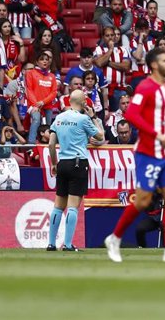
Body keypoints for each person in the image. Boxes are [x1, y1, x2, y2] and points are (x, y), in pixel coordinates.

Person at [105, 49, 165, 263]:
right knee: (143, 200)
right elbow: (132, 114)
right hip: (148, 153)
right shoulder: (145, 87)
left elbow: (162, 119)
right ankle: (114, 238)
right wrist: (157, 135)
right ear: (154, 65)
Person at [46, 89, 104, 252]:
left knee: (58, 205)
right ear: (84, 102)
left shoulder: (59, 118)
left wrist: (54, 163)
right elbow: (100, 136)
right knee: (73, 206)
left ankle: (51, 243)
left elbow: (51, 144)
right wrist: (93, 117)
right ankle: (68, 244)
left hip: (62, 162)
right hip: (78, 163)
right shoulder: (83, 119)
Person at [93, 26, 131, 111]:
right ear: (103, 37)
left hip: (119, 89)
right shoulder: (98, 49)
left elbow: (126, 67)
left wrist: (108, 63)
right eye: (107, 35)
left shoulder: (123, 50)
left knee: (120, 116)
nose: (110, 37)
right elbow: (99, 63)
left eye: (112, 35)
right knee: (104, 115)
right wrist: (110, 50)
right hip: (102, 89)